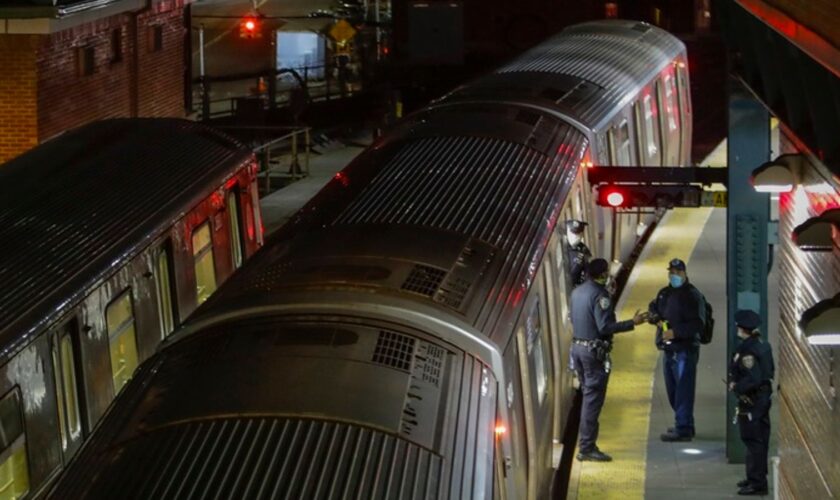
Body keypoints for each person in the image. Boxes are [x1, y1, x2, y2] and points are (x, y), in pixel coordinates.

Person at [571, 258, 648, 461]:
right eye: (607, 273)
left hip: (578, 349)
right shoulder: (600, 295)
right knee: (592, 400)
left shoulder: (577, 292)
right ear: (602, 274)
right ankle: (587, 448)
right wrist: (633, 322)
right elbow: (604, 327)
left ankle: (586, 444)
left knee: (588, 396)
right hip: (593, 353)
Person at [648, 258, 706, 441]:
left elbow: (698, 324)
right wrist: (654, 317)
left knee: (683, 389)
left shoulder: (693, 296)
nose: (674, 275)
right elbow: (654, 307)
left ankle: (684, 428)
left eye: (677, 272)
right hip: (669, 350)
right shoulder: (665, 293)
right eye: (671, 272)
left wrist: (675, 332)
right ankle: (685, 422)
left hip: (685, 350)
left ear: (685, 273)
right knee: (673, 389)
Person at [729, 309, 774, 496]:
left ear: (741, 328)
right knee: (756, 440)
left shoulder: (748, 349)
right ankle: (754, 476)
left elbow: (753, 377)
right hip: (761, 398)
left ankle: (757, 483)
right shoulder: (762, 344)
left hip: (753, 400)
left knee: (754, 440)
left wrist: (736, 386)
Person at [565, 219, 592, 288]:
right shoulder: (561, 248)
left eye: (579, 233)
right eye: (573, 233)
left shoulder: (583, 249)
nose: (576, 236)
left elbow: (588, 272)